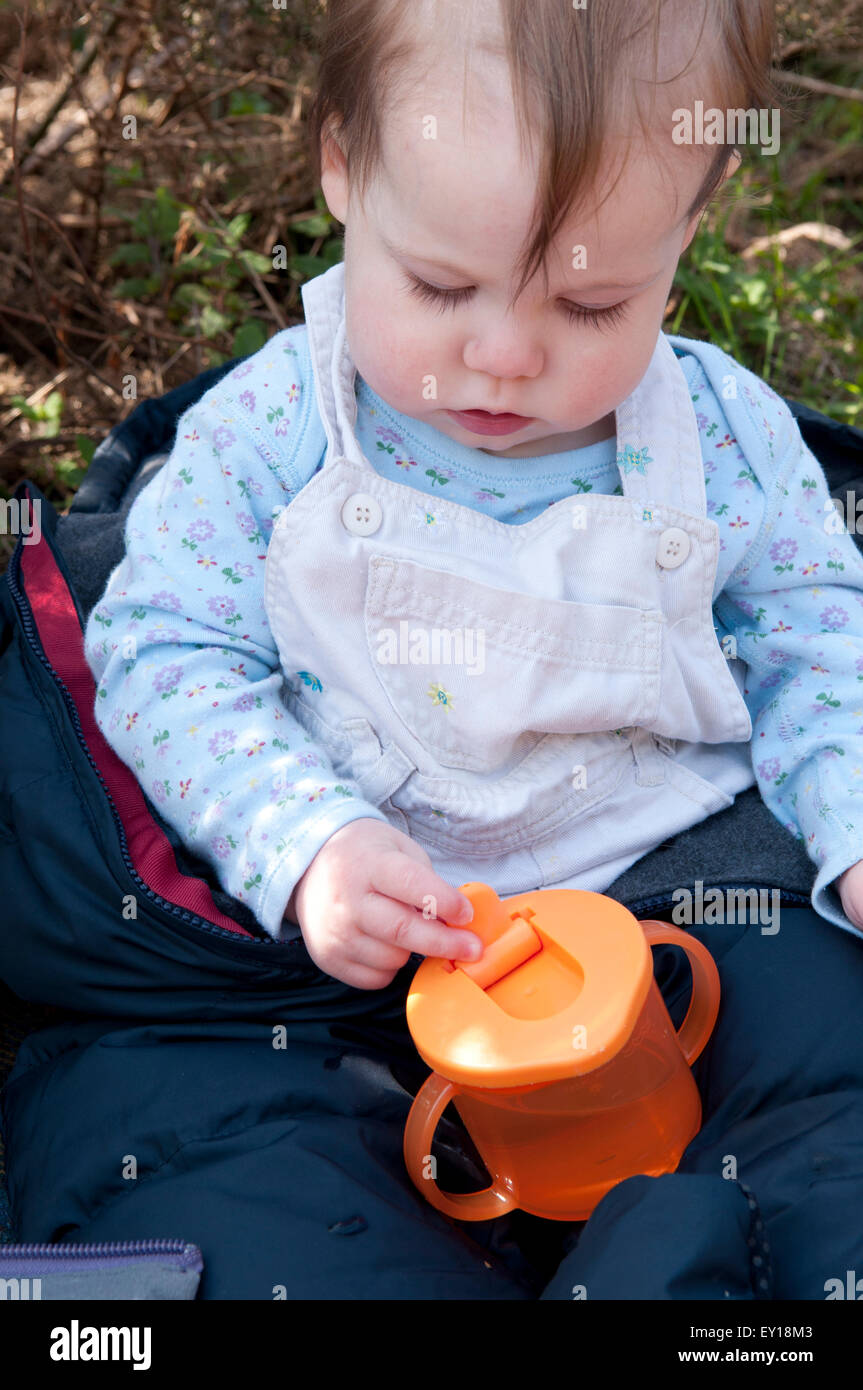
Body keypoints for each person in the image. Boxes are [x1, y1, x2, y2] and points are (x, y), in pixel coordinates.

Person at [71, 0, 863, 1298]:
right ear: (343, 163)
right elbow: (162, 651)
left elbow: (823, 648)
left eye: (592, 300)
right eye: (439, 286)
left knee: (830, 1084)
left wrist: (854, 830)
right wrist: (305, 842)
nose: (501, 354)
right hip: (369, 942)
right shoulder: (277, 425)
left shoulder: (718, 438)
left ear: (697, 210)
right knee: (219, 1156)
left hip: (674, 900)